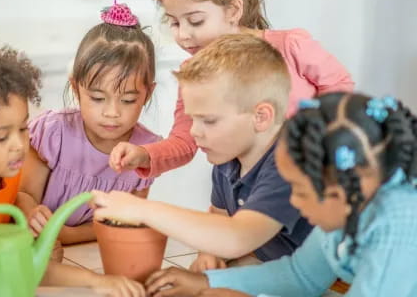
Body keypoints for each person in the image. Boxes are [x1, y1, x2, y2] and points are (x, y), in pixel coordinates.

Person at [109, 0, 354, 181]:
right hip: (248, 186)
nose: (183, 35)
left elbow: (340, 86)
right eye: (174, 22)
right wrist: (143, 154)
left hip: (308, 179)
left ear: (234, 10)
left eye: (195, 21)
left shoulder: (290, 46)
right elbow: (185, 141)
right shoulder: (194, 73)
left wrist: (314, 134)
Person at [144, 92, 417, 297]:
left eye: (298, 190)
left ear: (338, 191)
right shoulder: (348, 205)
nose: (294, 202)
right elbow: (300, 276)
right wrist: (206, 283)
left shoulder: (399, 225)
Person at [92, 34, 312, 272]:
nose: (195, 132)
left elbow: (238, 236)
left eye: (208, 120)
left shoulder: (291, 160)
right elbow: (220, 220)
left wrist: (140, 209)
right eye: (193, 118)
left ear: (261, 117)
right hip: (280, 265)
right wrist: (209, 254)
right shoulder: (227, 161)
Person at [0, 44, 145, 295]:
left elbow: (9, 224)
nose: (19, 146)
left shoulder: (1, 169)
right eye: (2, 137)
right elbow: (16, 266)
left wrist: (30, 219)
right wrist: (96, 280)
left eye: (23, 129)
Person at [16, 1, 161, 245]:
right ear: (76, 88)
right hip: (34, 248)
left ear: (147, 94)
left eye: (127, 100)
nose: (112, 112)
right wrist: (31, 214)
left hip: (91, 251)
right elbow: (23, 194)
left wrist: (68, 236)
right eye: (97, 98)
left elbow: (126, 219)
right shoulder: (54, 132)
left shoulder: (147, 151)